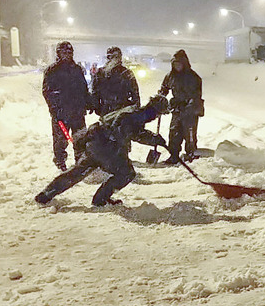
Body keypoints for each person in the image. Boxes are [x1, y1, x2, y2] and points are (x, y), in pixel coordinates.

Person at [34, 95, 172, 207]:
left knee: (77, 172)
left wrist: (152, 138)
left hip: (95, 143)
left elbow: (128, 129)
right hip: (107, 147)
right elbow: (129, 132)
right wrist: (153, 139)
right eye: (160, 114)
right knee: (127, 173)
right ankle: (100, 199)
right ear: (157, 111)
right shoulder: (139, 115)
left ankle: (46, 194)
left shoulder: (132, 110)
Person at [42, 41, 91, 171]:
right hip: (61, 112)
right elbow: (47, 92)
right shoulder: (52, 70)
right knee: (61, 139)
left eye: (69, 52)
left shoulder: (77, 69)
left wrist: (89, 102)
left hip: (77, 112)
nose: (67, 55)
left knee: (80, 138)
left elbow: (83, 88)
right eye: (64, 52)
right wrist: (54, 108)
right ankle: (60, 161)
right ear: (58, 53)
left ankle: (80, 161)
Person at [157, 50, 203, 164]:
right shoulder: (170, 76)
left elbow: (196, 95)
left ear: (184, 64)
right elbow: (164, 88)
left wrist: (189, 107)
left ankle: (191, 154)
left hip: (190, 110)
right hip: (177, 109)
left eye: (179, 64)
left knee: (189, 134)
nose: (177, 66)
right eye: (175, 64)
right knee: (174, 133)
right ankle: (174, 155)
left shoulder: (193, 77)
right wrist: (160, 98)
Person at [91, 46, 140, 116]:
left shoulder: (126, 73)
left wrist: (135, 108)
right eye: (111, 57)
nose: (114, 59)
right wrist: (96, 107)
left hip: (123, 111)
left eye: (116, 57)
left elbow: (135, 92)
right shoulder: (101, 73)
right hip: (106, 110)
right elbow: (95, 92)